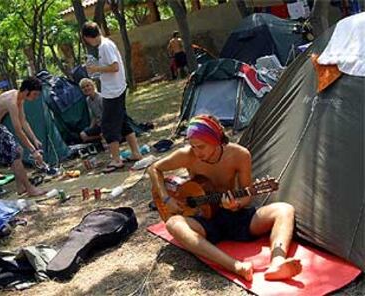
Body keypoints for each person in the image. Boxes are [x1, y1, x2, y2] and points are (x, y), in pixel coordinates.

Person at [148, 115, 302, 282]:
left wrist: (235, 205)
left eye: (201, 146)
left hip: (234, 215)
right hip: (203, 219)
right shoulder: (187, 155)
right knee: (173, 224)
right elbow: (154, 168)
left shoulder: (240, 155)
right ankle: (236, 266)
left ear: (216, 141)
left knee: (285, 209)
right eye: (192, 146)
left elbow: (247, 194)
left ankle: (277, 263)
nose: (197, 152)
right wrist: (166, 198)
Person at [81, 22, 142, 173]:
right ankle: (136, 153)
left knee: (108, 126)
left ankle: (116, 160)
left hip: (113, 92)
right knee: (123, 122)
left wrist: (95, 68)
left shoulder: (104, 46)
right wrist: (98, 71)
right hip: (115, 88)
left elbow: (115, 67)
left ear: (88, 37)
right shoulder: (105, 45)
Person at [0, 77, 46, 197]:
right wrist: (34, 151)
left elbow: (23, 121)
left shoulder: (20, 99)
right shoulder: (12, 101)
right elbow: (18, 130)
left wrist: (34, 139)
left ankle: (21, 187)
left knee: (17, 150)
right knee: (14, 155)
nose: (35, 97)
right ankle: (30, 189)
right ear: (26, 91)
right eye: (35, 94)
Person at [79, 78, 103, 143]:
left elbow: (109, 115)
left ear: (92, 86)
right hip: (99, 125)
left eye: (87, 86)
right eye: (83, 87)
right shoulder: (88, 100)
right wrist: (91, 128)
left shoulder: (100, 98)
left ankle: (105, 136)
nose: (86, 88)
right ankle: (101, 137)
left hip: (107, 124)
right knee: (83, 135)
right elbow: (93, 116)